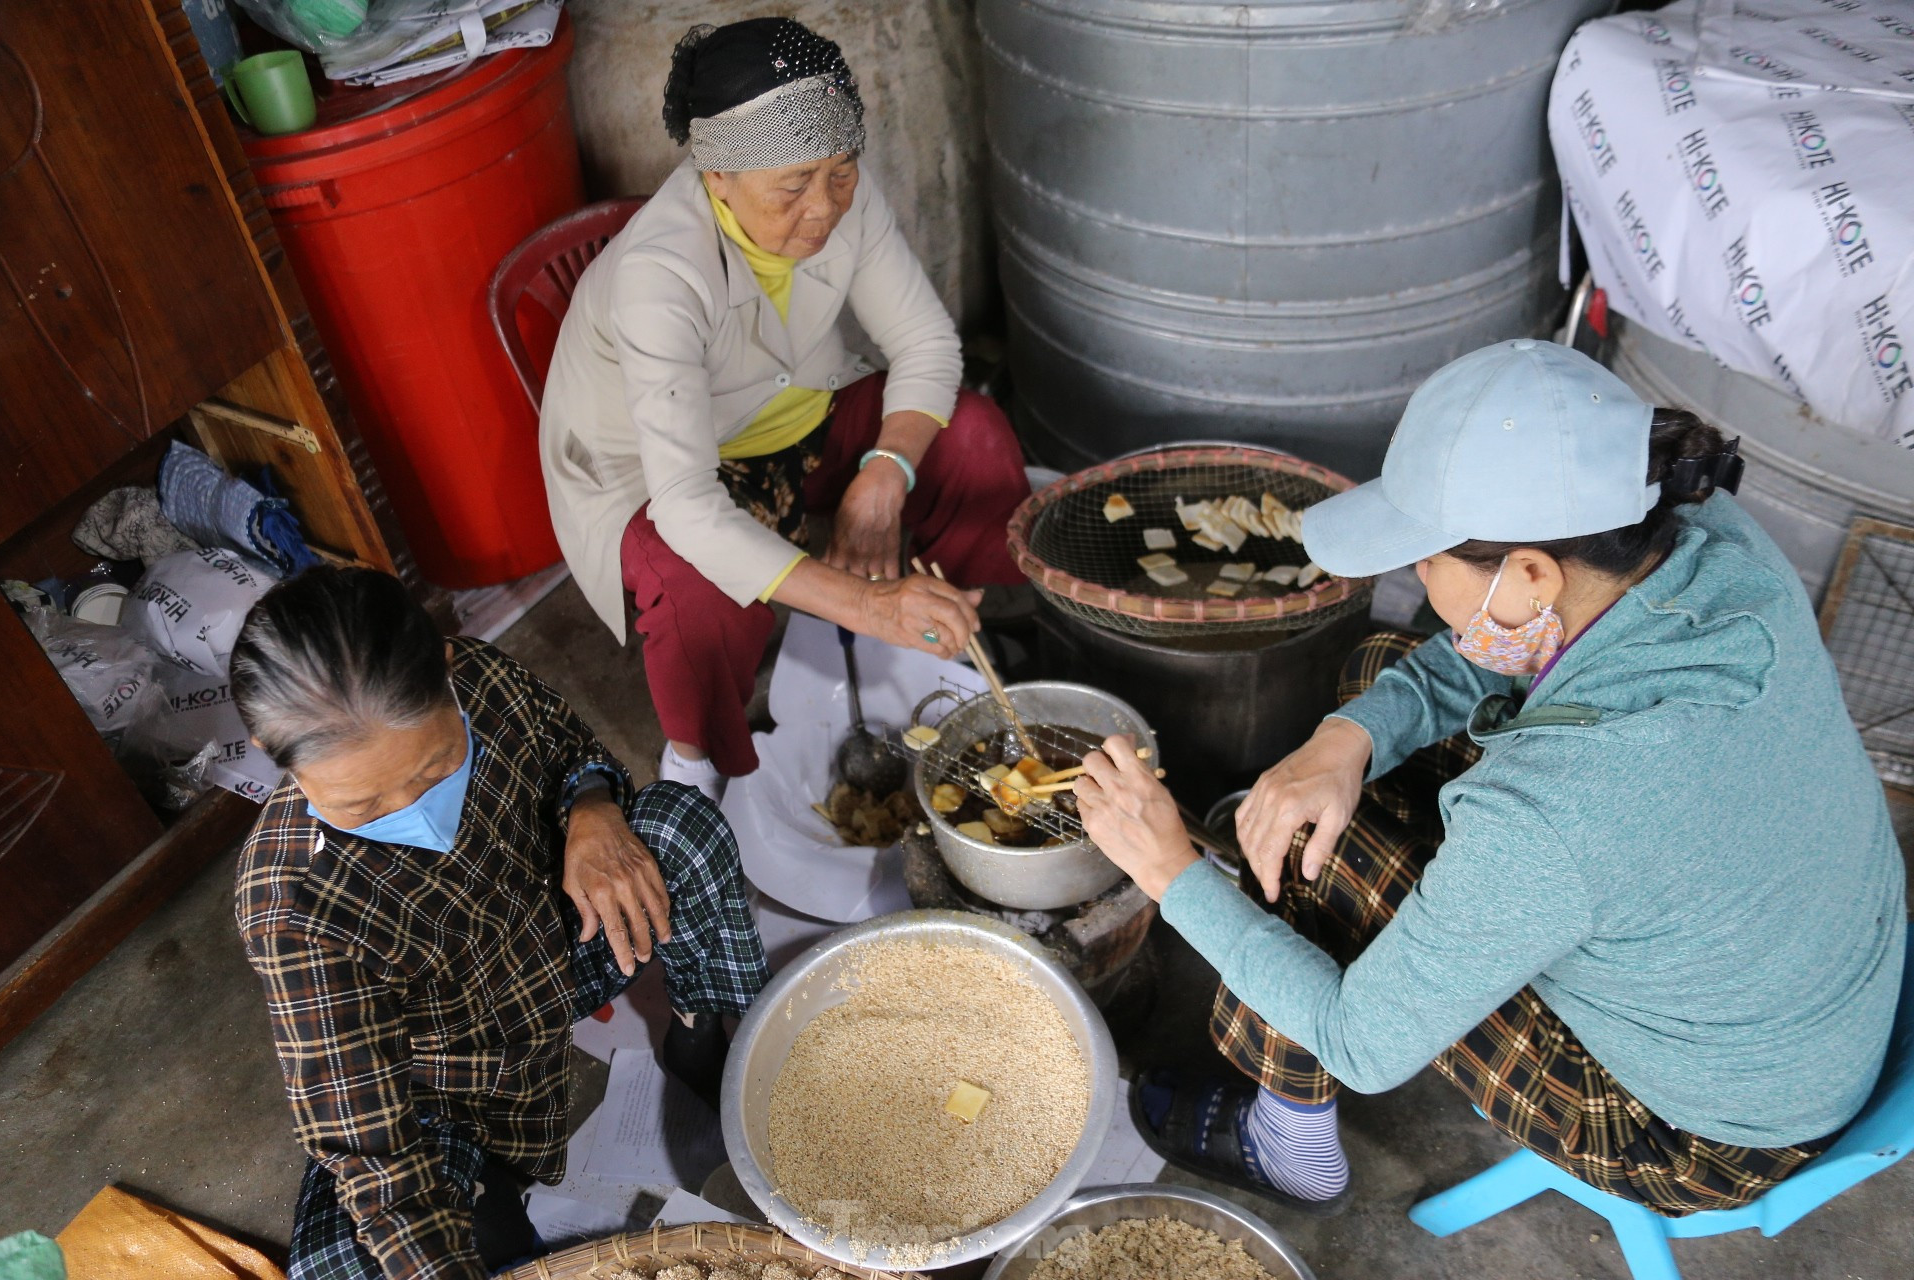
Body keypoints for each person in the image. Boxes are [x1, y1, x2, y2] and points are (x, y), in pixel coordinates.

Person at [1076, 340, 1906, 1218]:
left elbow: (1360, 1041)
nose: (1418, 577)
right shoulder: (1708, 540)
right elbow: (1506, 659)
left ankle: (1288, 1145)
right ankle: (1371, 810)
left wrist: (1171, 872)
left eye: (1426, 559)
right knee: (1380, 678)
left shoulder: (1562, 810)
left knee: (1310, 863)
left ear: (1535, 572)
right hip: (1815, 984)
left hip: (1704, 1131)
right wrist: (1344, 740)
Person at [539, 17, 1030, 801]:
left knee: (969, 435)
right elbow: (690, 510)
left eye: (840, 171)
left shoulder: (845, 198)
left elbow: (929, 346)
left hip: (795, 415)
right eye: (792, 187)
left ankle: (963, 638)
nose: (824, 207)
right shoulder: (662, 272)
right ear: (717, 178)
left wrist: (885, 472)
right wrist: (869, 604)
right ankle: (696, 763)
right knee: (700, 585)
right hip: (652, 472)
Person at [229, 567, 768, 1280]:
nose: (408, 811)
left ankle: (700, 1038)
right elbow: (372, 1144)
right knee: (343, 1262)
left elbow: (572, 751)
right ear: (273, 753)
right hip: (459, 1082)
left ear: (448, 673)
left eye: (433, 769)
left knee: (675, 826)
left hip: (561, 942)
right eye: (363, 806)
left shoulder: (480, 681)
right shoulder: (294, 909)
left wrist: (593, 805)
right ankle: (501, 1210)